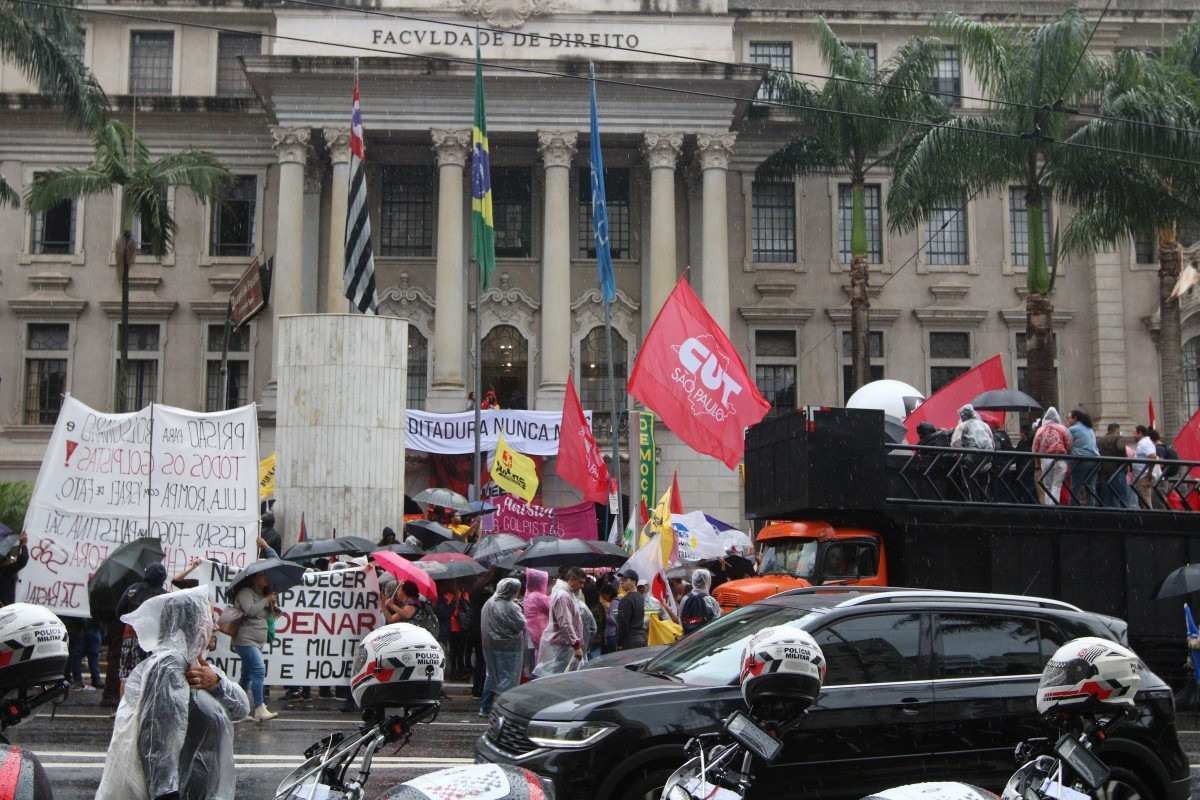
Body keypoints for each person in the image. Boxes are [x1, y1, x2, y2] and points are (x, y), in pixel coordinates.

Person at [96, 586, 249, 800]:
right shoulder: (169, 666)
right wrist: (166, 793)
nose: (215, 625)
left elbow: (241, 708)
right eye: (209, 617)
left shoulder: (201, 666)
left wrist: (217, 683)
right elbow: (157, 742)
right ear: (192, 622)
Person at [231, 570, 278, 722]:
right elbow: (250, 611)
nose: (267, 579)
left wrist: (272, 606)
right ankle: (259, 708)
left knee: (245, 677)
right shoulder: (245, 592)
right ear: (255, 578)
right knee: (259, 669)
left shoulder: (260, 594)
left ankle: (236, 707)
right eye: (264, 576)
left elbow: (263, 615)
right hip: (245, 640)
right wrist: (266, 600)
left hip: (257, 642)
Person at [116, 563, 169, 686]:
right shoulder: (166, 596)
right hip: (154, 641)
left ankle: (124, 704)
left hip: (131, 637)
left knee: (126, 675)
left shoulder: (133, 589)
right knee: (149, 675)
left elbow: (119, 611)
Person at [480, 577, 525, 716]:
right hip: (510, 647)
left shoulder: (489, 603)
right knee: (508, 678)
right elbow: (520, 624)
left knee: (492, 676)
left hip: (490, 646)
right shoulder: (511, 607)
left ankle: (485, 707)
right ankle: (503, 710)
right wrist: (520, 608)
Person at [532, 567, 585, 677]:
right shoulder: (563, 596)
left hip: (563, 643)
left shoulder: (567, 593)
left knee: (559, 676)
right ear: (572, 579)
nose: (582, 586)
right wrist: (575, 645)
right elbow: (565, 623)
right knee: (557, 678)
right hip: (561, 644)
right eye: (580, 582)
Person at [1033, 407, 1072, 505]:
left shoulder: (1040, 430)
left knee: (1047, 485)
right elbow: (1069, 443)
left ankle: (1048, 507)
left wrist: (1037, 462)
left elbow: (1035, 447)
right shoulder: (1063, 429)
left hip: (1046, 459)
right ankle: (1055, 506)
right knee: (1057, 485)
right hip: (1060, 458)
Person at [1067, 408, 1099, 505]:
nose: (1067, 421)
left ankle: (1072, 510)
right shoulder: (1089, 429)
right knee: (1091, 487)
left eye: (1069, 418)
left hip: (1081, 459)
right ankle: (1091, 510)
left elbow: (1067, 444)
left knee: (1075, 486)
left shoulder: (1072, 429)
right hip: (1096, 459)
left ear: (1075, 418)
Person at [1097, 423, 1133, 508]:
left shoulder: (1100, 440)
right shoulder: (1118, 438)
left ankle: (1109, 518)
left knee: (1107, 498)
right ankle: (1124, 517)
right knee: (1122, 497)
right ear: (1117, 430)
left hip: (1104, 472)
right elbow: (1121, 447)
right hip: (1118, 470)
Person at [679, 568, 722, 635]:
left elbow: (681, 617)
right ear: (707, 581)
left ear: (693, 581)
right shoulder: (709, 599)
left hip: (689, 637)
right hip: (706, 636)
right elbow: (717, 620)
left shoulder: (685, 598)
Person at [65, 617, 103, 690]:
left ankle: (78, 680)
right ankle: (95, 679)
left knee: (77, 655)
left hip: (80, 625)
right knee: (91, 655)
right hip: (88, 624)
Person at [523, 569, 550, 667]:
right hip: (541, 633)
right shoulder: (538, 596)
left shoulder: (528, 595)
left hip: (532, 633)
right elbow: (552, 607)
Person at [614, 569, 647, 651]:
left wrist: (619, 643)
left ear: (633, 581)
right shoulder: (640, 597)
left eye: (625, 580)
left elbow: (623, 624)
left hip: (630, 641)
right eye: (621, 580)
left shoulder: (626, 600)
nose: (621, 582)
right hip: (642, 638)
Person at [1133, 425, 1159, 507]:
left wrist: (1149, 473)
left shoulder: (1144, 443)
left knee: (1145, 501)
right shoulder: (1143, 442)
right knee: (1143, 501)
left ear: (1140, 433)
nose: (1133, 435)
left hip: (1144, 476)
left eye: (1134, 433)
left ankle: (1149, 518)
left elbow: (1152, 457)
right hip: (1141, 476)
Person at [0, 531, 28, 605]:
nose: (11, 560)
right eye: (9, 557)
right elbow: (22, 561)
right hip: (4, 609)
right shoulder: (6, 571)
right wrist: (23, 544)